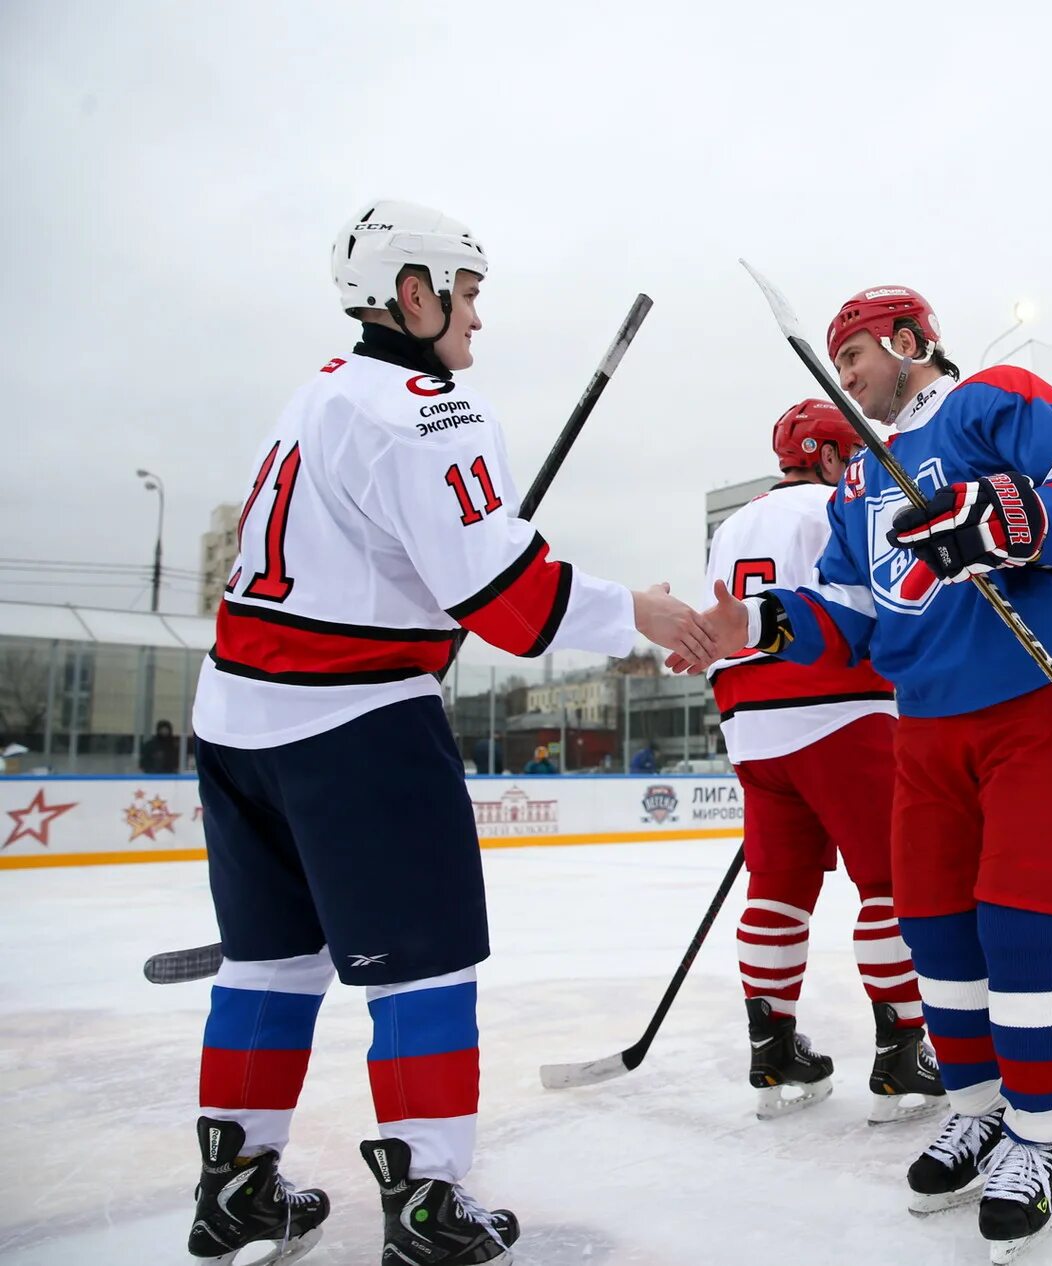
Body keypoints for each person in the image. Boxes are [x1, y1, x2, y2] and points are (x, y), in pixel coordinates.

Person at [184, 200, 713, 1266]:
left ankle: (233, 1184)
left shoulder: (315, 397)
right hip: (354, 730)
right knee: (420, 971)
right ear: (412, 294)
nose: (477, 318)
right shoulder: (431, 412)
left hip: (232, 723)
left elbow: (395, 577)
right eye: (467, 295)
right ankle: (427, 1197)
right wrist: (643, 615)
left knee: (269, 967)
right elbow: (512, 607)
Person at [683, 285, 1052, 1260]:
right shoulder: (853, 490)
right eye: (834, 359)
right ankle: (975, 1108)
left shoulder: (992, 403)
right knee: (934, 926)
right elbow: (850, 614)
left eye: (854, 354)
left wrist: (1007, 516)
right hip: (928, 721)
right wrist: (754, 627)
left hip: (1038, 699)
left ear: (907, 340)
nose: (842, 373)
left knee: (1024, 919)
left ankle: (1039, 1132)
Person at [704, 398, 940, 1123]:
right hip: (841, 707)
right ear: (835, 456)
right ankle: (902, 1050)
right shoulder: (841, 505)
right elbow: (874, 603)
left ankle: (772, 1052)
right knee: (891, 880)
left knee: (779, 886)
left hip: (749, 725)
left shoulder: (732, 526)